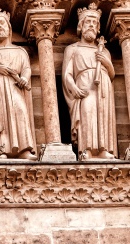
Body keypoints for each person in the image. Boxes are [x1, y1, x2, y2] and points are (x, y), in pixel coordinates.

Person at [0, 8, 35, 160]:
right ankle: (1, 150)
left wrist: (24, 78)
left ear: (9, 28)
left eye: (2, 23)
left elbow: (26, 68)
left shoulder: (20, 51)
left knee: (20, 111)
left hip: (15, 87)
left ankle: (24, 149)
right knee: (0, 116)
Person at [62, 3, 117, 160]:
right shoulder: (72, 49)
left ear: (98, 27)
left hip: (104, 87)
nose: (91, 25)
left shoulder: (103, 50)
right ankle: (87, 149)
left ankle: (104, 149)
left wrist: (106, 62)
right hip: (85, 86)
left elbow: (112, 74)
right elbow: (67, 74)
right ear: (81, 25)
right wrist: (73, 88)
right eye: (88, 22)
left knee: (103, 115)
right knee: (88, 112)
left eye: (94, 23)